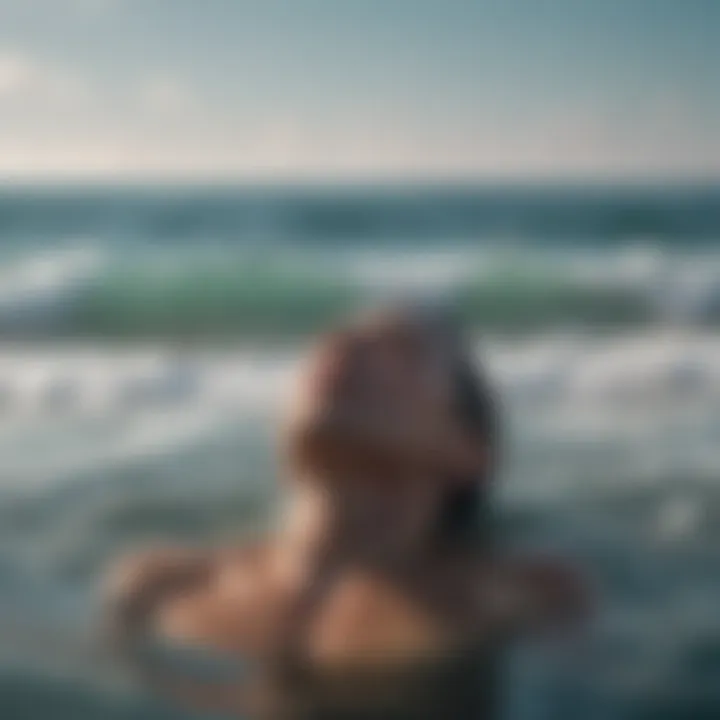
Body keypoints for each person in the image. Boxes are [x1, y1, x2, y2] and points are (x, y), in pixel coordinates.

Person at [103, 305, 590, 719]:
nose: (342, 344)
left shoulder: (526, 597)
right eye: (338, 334)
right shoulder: (158, 584)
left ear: (468, 453)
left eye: (400, 349)